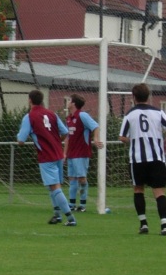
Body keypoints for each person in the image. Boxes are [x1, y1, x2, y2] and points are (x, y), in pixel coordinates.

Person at [119, 83, 166, 235]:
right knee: (159, 192)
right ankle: (164, 226)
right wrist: (165, 142)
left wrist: (134, 140)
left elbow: (122, 137)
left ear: (134, 97)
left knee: (138, 189)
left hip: (137, 159)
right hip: (156, 158)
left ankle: (143, 224)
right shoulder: (158, 112)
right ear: (149, 96)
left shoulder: (129, 114)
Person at [17, 89, 77, 226]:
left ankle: (70, 218)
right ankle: (57, 215)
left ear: (30, 100)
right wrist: (55, 141)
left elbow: (21, 140)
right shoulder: (52, 114)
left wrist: (20, 138)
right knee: (54, 187)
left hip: (46, 156)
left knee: (55, 187)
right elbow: (65, 132)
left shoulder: (29, 117)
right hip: (58, 154)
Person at [63, 94, 104, 212]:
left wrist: (96, 139)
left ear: (74, 103)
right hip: (71, 153)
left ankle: (83, 205)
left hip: (81, 153)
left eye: (69, 100)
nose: (68, 102)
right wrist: (64, 154)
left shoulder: (82, 115)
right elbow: (67, 138)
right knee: (72, 179)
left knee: (81, 178)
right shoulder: (69, 118)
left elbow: (95, 126)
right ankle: (71, 204)